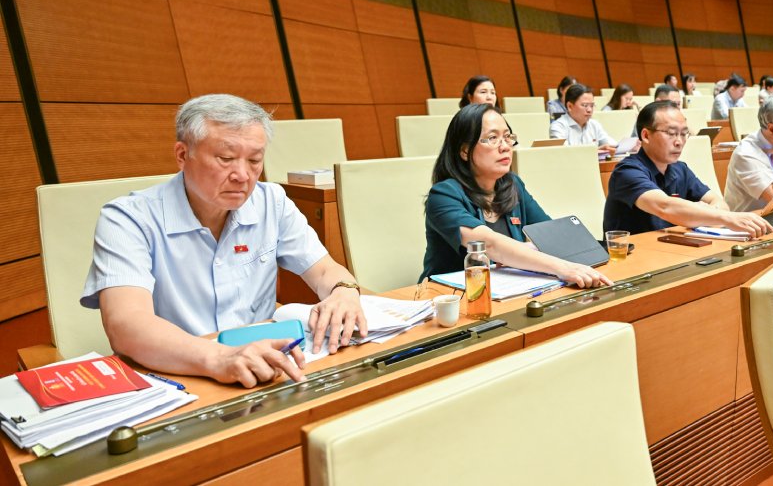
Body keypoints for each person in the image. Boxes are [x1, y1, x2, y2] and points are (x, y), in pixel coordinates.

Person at [81, 94, 368, 388]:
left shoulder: (272, 202)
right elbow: (127, 324)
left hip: (263, 370)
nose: (243, 175)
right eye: (226, 159)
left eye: (255, 160)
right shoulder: (127, 219)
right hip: (177, 376)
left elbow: (323, 270)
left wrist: (344, 291)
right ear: (182, 155)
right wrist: (219, 358)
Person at [422, 104, 611, 287]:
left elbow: (549, 235)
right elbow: (488, 245)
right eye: (492, 138)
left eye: (507, 137)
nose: (504, 146)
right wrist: (561, 267)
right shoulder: (443, 195)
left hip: (508, 292)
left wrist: (527, 250)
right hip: (451, 299)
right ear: (464, 150)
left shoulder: (512, 184)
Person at [603, 102, 772, 236]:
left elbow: (719, 202)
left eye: (684, 133)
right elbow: (665, 206)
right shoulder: (626, 172)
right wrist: (726, 218)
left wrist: (710, 212)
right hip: (634, 257)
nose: (679, 141)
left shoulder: (679, 169)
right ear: (646, 135)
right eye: (671, 133)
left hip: (671, 248)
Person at [550, 84, 621, 155]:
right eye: (585, 105)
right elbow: (564, 154)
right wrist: (596, 151)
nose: (589, 110)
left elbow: (611, 144)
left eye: (592, 105)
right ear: (570, 106)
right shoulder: (558, 127)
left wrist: (619, 147)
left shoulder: (594, 125)